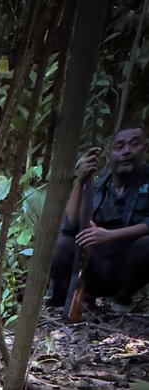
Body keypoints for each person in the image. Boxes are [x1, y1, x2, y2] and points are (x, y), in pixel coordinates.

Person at [49, 124, 149, 312]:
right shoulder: (97, 185)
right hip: (95, 262)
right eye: (119, 147)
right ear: (109, 155)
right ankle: (76, 299)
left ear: (144, 148)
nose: (126, 151)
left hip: (127, 265)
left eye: (133, 144)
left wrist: (110, 235)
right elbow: (69, 223)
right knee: (62, 244)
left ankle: (121, 300)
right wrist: (80, 181)